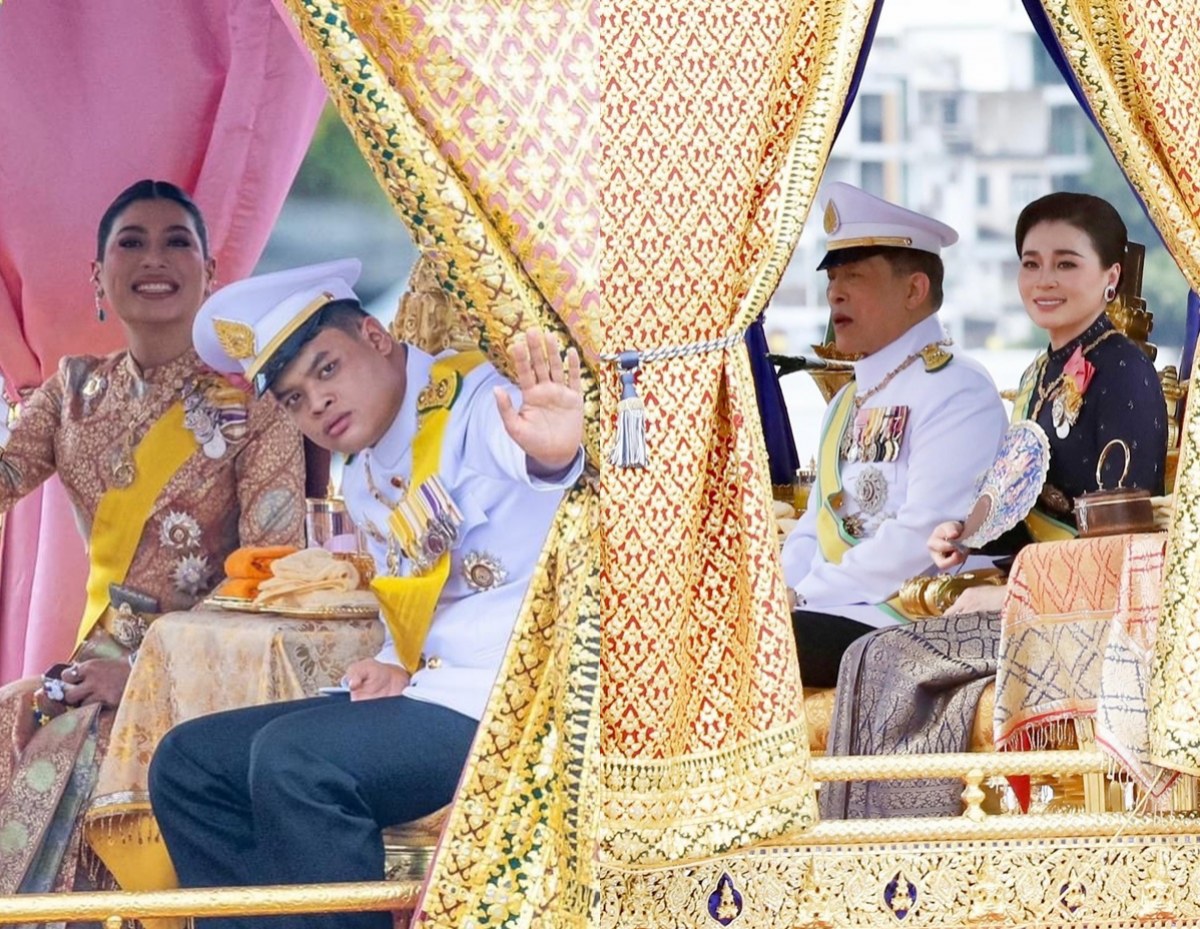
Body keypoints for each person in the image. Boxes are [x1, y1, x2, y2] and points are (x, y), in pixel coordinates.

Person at [149, 259, 584, 929]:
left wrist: (554, 451)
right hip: (429, 694)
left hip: (507, 700)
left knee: (295, 763)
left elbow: (530, 454)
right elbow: (411, 590)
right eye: (294, 397)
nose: (316, 404)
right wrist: (390, 654)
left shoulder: (470, 402)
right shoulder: (363, 476)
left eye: (326, 369)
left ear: (376, 337)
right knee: (188, 763)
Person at [0, 179, 305, 894]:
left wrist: (142, 674)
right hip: (91, 657)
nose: (153, 258)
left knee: (92, 751)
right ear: (98, 275)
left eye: (177, 241)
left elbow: (275, 578)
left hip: (200, 668)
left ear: (211, 272)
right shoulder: (70, 394)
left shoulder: (257, 407)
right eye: (130, 242)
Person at [821, 191, 1168, 819]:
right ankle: (864, 855)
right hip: (1030, 597)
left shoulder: (1124, 373)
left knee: (892, 659)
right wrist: (967, 539)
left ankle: (906, 857)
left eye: (1066, 263)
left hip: (1085, 615)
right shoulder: (1039, 375)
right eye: (1031, 263)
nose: (1044, 280)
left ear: (1109, 276)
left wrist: (1011, 587)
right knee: (869, 654)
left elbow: (1119, 538)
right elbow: (1020, 498)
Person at [782, 182, 1008, 688]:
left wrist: (808, 593)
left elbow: (920, 538)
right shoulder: (845, 401)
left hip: (905, 618)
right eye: (833, 277)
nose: (834, 292)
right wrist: (777, 591)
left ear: (914, 289)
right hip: (831, 607)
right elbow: (811, 528)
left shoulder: (957, 388)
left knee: (765, 652)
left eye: (855, 276)